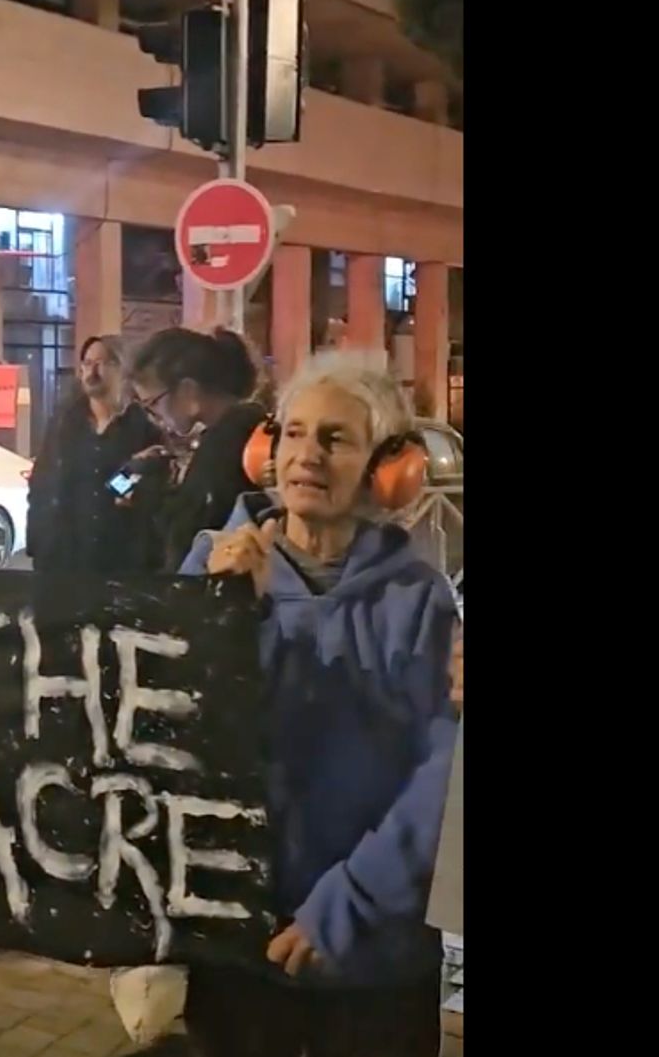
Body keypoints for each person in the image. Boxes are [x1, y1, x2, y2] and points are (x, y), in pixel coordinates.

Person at [180, 350, 459, 1057]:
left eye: (335, 438)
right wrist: (212, 612)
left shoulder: (418, 598)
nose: (307, 455)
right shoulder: (209, 566)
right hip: (235, 941)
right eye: (294, 432)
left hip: (373, 958)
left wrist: (349, 906)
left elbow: (443, 773)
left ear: (385, 466)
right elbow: (173, 736)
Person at [128, 327, 268, 573]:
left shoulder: (228, 441)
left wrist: (149, 494)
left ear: (188, 391)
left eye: (153, 404)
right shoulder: (240, 430)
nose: (154, 417)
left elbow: (191, 531)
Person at [25, 335, 167, 575]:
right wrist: (37, 542)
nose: (92, 371)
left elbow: (144, 490)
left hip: (119, 559)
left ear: (123, 370)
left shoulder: (144, 426)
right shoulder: (64, 423)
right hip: (63, 557)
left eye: (103, 363)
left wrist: (128, 476)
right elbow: (41, 483)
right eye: (87, 363)